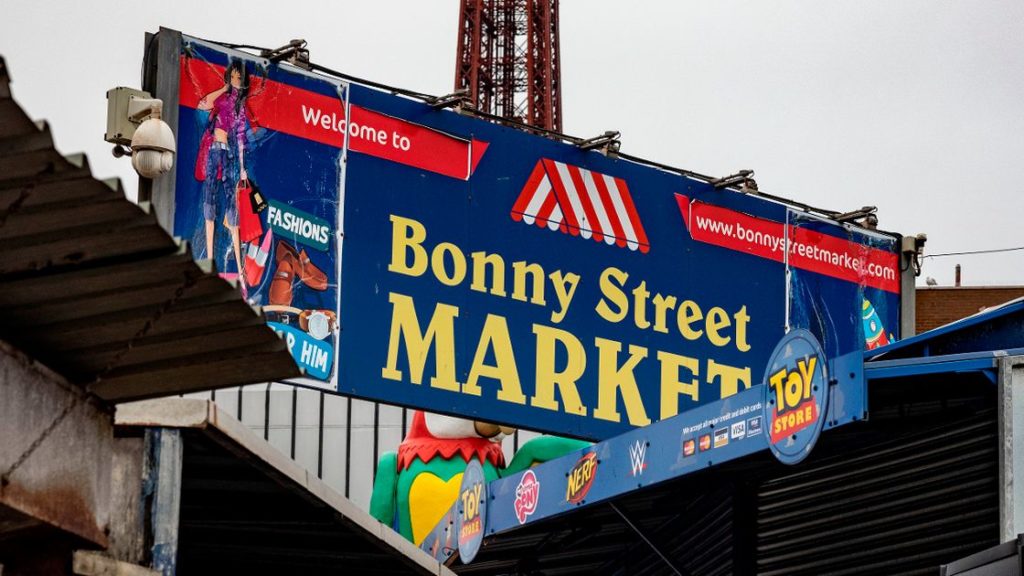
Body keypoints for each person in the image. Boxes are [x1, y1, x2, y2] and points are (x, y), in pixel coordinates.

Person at [196, 58, 252, 277]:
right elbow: (203, 103)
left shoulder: (240, 108)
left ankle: (239, 266)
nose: (235, 80)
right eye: (233, 76)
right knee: (209, 200)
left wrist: (243, 167)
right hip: (214, 150)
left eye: (239, 77)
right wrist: (223, 87)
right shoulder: (223, 98)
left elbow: (240, 139)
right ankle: (209, 259)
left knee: (230, 203)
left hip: (226, 153)